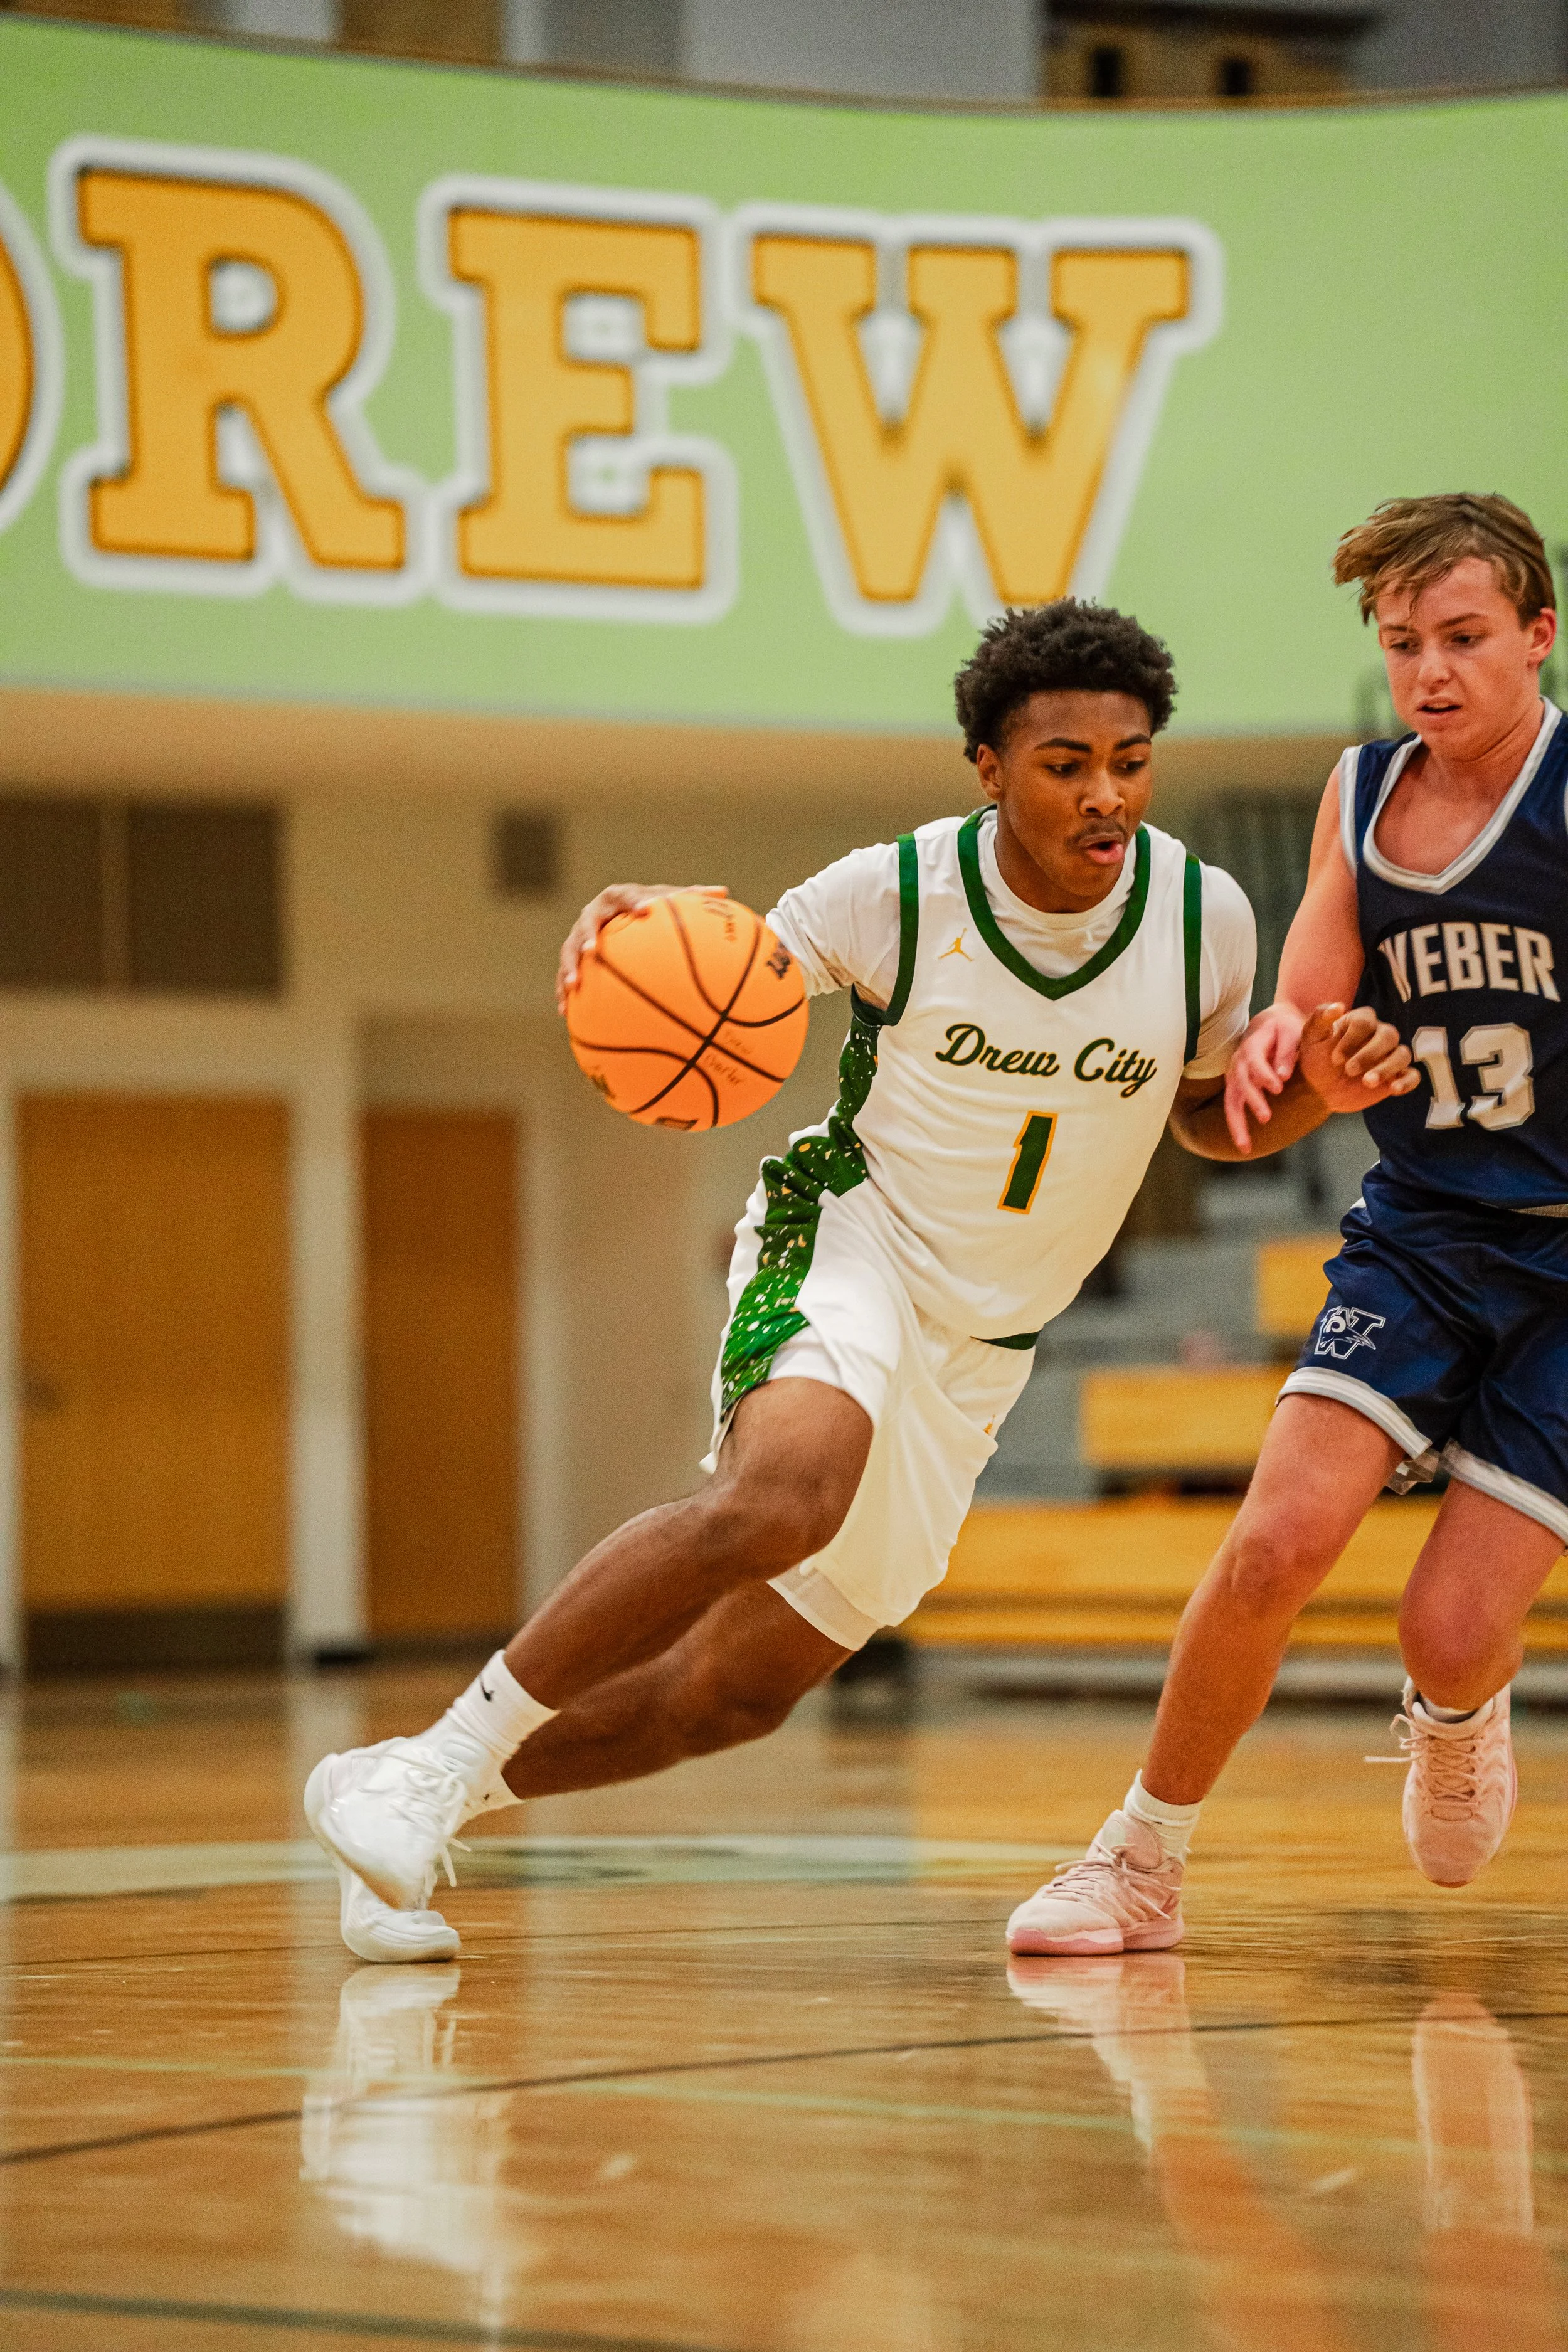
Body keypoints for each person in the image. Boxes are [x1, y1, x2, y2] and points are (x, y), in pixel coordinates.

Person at [304, 598, 1405, 1963]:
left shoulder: (1203, 917)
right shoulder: (895, 892)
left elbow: (1204, 1118)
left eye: (1128, 760)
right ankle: (427, 1775)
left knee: (731, 1698)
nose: (1104, 793)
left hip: (987, 1344)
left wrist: (1310, 1095)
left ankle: (411, 1783)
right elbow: (725, 968)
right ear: (989, 770)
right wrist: (633, 921)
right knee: (780, 1495)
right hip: (852, 1240)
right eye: (1063, 764)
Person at [1009, 493, 1561, 1957]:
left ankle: (1457, 1701)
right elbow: (1302, 1032)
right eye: (1401, 645)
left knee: (1444, 1627)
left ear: (1536, 637)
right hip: (1426, 1232)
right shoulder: (1360, 794)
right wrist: (1291, 1057)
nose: (1428, 672)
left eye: (1461, 638)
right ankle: (1136, 1863)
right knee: (1273, 1542)